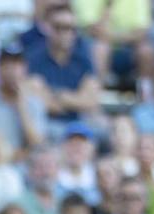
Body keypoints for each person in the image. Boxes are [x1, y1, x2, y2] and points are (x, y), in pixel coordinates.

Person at [25, 4, 101, 132]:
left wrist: (57, 95)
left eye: (71, 28)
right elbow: (37, 100)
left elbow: (91, 101)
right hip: (46, 124)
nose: (65, 33)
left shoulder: (83, 58)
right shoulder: (33, 58)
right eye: (59, 27)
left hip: (78, 124)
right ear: (47, 27)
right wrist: (74, 99)